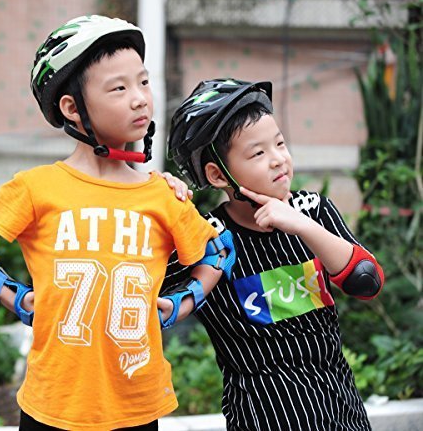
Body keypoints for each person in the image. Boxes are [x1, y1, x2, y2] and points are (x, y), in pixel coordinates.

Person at [0, 16, 235, 431]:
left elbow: (217, 252)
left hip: (136, 406)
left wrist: (179, 303)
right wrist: (16, 299)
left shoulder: (164, 195)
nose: (140, 99)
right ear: (72, 108)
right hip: (51, 406)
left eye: (143, 82)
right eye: (119, 88)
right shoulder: (37, 188)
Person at [162, 78, 384, 431]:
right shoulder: (206, 238)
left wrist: (301, 225)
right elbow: (141, 291)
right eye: (258, 153)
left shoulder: (313, 212)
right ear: (217, 174)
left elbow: (366, 281)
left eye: (279, 143)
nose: (278, 159)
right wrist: (158, 201)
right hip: (263, 418)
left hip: (343, 415)